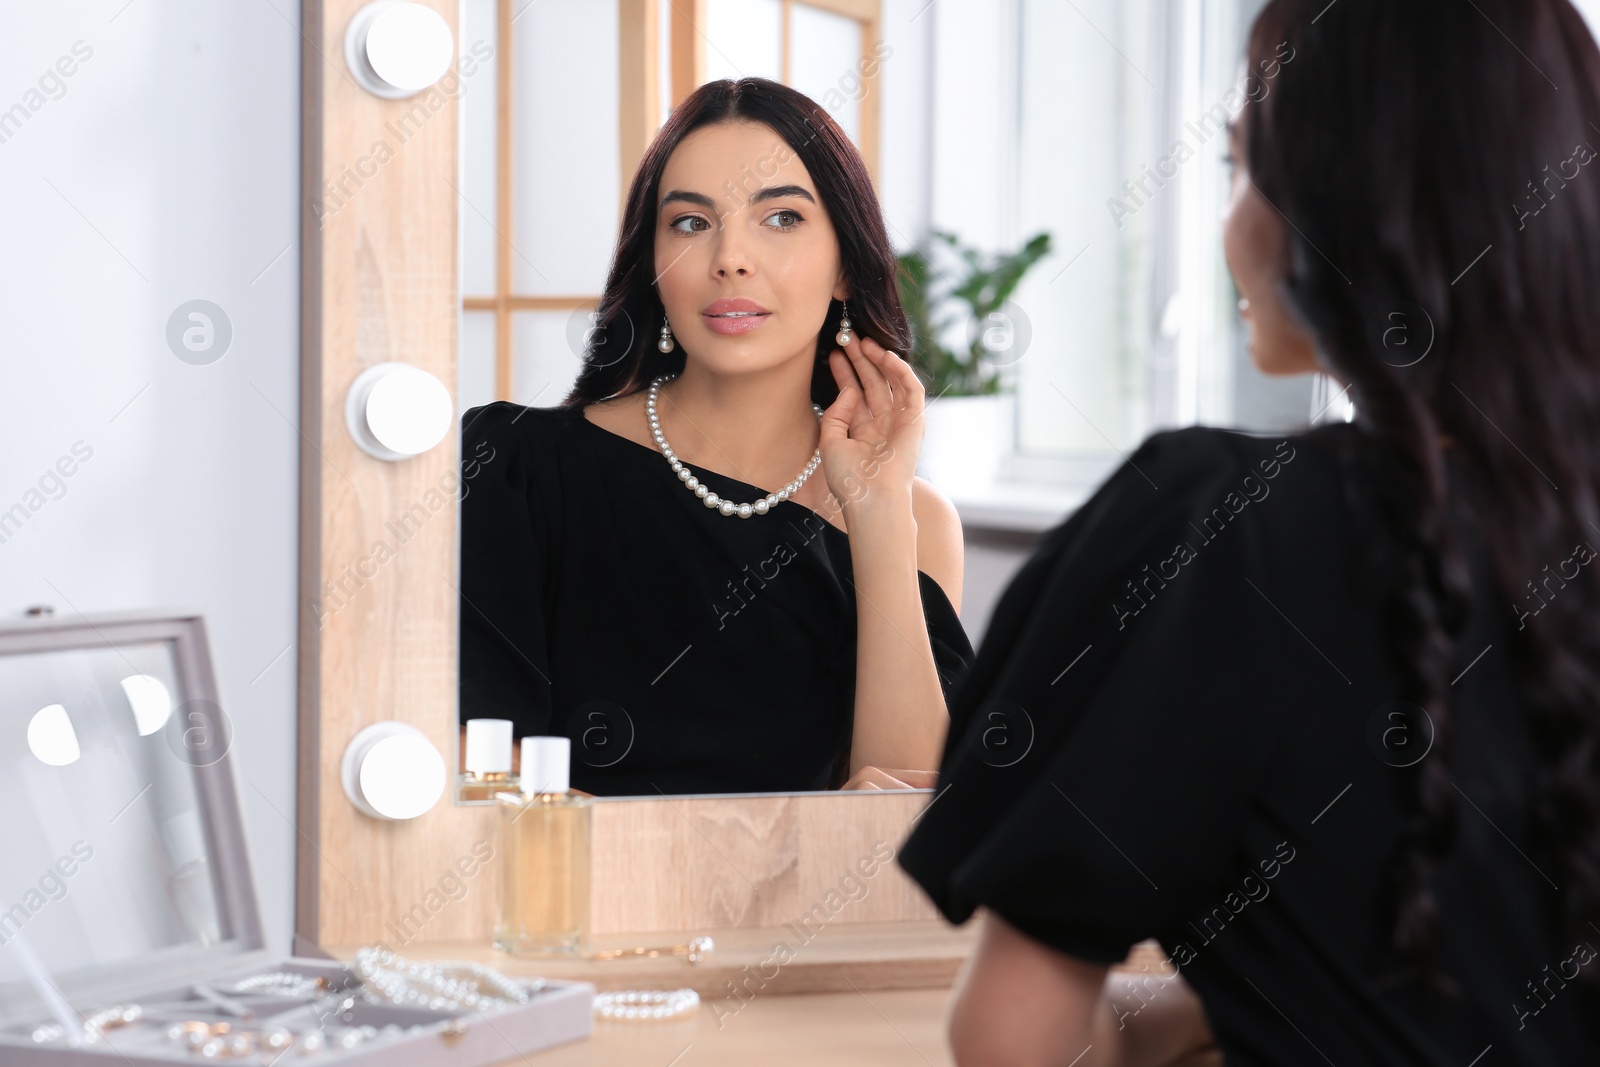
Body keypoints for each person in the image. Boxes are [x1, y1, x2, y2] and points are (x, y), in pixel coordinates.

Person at [897, 0, 1600, 1062]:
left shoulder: (1223, 532)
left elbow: (1012, 1037)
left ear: (1341, 204)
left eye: (1240, 169)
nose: (1227, 221)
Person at [457, 77, 973, 796]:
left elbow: (904, 817)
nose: (730, 257)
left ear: (847, 268)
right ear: (654, 266)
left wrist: (878, 511)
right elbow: (482, 771)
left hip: (812, 912)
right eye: (692, 224)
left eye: (782, 218)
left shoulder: (915, 520)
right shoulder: (518, 466)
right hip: (568, 905)